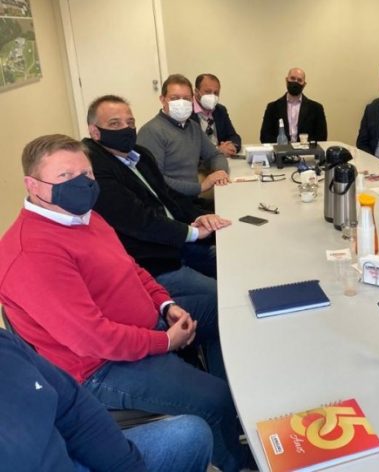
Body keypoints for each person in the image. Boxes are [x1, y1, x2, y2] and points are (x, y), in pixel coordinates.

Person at [0, 134, 252, 471]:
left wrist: (165, 305)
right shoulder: (30, 254)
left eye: (86, 174)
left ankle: (232, 416)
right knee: (214, 399)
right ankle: (236, 460)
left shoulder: (84, 216)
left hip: (145, 327)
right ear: (33, 185)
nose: (81, 183)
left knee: (226, 311)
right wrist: (165, 342)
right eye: (65, 176)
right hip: (103, 367)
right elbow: (94, 340)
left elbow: (130, 267)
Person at [0, 328, 213, 472]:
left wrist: (130, 467)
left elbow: (72, 408)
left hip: (67, 455)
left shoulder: (4, 344)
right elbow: (93, 335)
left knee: (192, 435)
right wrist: (163, 341)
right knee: (213, 400)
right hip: (98, 367)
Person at [84, 94, 228, 282]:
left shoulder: (140, 155)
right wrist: (192, 233)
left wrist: (200, 217)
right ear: (95, 132)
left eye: (130, 122)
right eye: (114, 124)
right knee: (222, 294)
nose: (126, 129)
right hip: (152, 261)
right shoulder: (93, 167)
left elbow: (168, 195)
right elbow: (138, 220)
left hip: (177, 241)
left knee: (235, 264)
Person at [137, 73, 230, 201]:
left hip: (191, 199)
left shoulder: (193, 127)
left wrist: (220, 172)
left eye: (186, 99)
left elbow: (215, 155)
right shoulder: (151, 132)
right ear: (162, 99)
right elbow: (154, 179)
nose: (181, 103)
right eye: (175, 98)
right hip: (169, 203)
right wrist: (201, 187)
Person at [259, 67, 328, 143]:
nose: (295, 82)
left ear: (304, 85)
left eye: (299, 80)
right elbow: (264, 137)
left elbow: (322, 137)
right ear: (286, 80)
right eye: (292, 78)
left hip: (307, 150)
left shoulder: (316, 109)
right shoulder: (272, 108)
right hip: (280, 149)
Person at [191, 73, 242, 157]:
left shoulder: (220, 110)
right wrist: (217, 150)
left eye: (216, 93)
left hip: (220, 160)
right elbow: (187, 148)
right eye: (208, 92)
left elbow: (233, 136)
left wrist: (232, 146)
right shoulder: (187, 112)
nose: (212, 96)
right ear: (196, 92)